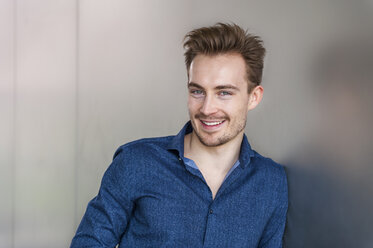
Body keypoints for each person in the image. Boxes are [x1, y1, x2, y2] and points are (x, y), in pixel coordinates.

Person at [70, 23, 288, 248]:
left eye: (224, 93)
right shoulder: (136, 162)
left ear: (253, 97)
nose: (207, 108)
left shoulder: (271, 181)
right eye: (197, 91)